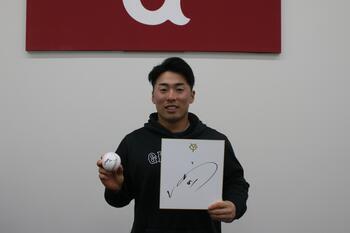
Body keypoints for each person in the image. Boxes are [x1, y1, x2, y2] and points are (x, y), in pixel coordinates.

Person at [97, 57, 249, 233]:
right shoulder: (134, 142)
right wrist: (115, 189)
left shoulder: (215, 141)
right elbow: (118, 201)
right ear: (153, 96)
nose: (171, 97)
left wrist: (234, 205)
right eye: (163, 89)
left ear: (192, 95)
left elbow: (237, 182)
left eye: (179, 89)